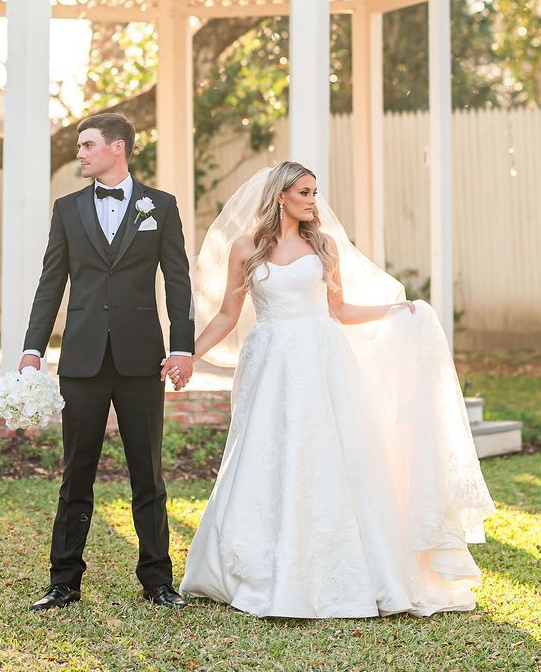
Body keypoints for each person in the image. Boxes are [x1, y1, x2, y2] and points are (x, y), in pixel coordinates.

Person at [180, 161, 495, 619]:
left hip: (321, 359)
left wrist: (393, 309)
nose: (312, 200)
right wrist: (189, 354)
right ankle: (258, 566)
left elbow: (340, 309)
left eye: (314, 192)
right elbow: (228, 315)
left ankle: (349, 566)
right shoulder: (245, 247)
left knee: (332, 454)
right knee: (265, 451)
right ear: (280, 196)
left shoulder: (323, 245)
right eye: (304, 192)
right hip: (270, 361)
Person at [20, 111, 195, 611]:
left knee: (149, 473)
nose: (80, 153)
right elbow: (51, 281)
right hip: (83, 359)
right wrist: (33, 348)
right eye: (80, 146)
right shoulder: (68, 209)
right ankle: (63, 582)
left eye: (88, 145)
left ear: (117, 148)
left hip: (143, 358)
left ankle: (158, 581)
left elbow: (178, 279)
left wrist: (181, 346)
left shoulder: (160, 206)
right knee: (76, 474)